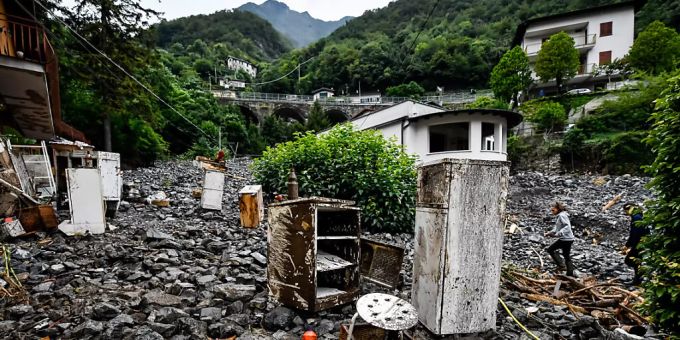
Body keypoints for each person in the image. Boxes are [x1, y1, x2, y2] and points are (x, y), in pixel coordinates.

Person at [545, 202, 575, 276]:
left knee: (551, 249)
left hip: (566, 239)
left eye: (553, 210)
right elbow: (557, 228)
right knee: (565, 255)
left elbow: (567, 226)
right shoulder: (560, 216)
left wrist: (559, 233)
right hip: (566, 239)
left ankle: (563, 268)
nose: (552, 212)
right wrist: (549, 233)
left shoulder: (562, 216)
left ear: (558, 209)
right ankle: (568, 272)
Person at [622, 203, 647, 285]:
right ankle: (638, 279)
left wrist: (629, 245)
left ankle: (639, 278)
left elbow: (634, 234)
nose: (626, 213)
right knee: (636, 261)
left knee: (629, 260)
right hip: (643, 242)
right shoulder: (638, 216)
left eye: (625, 211)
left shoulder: (636, 218)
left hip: (639, 243)